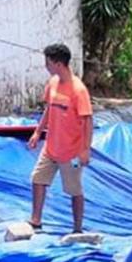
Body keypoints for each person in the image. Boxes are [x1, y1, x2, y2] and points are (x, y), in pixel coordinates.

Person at [28, 43, 93, 234]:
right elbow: (49, 108)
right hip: (51, 147)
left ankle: (77, 229)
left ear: (58, 64)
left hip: (71, 151)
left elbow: (87, 120)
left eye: (47, 62)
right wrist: (38, 132)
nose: (46, 66)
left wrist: (85, 149)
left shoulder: (78, 90)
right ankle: (36, 220)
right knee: (38, 179)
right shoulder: (52, 84)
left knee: (74, 190)